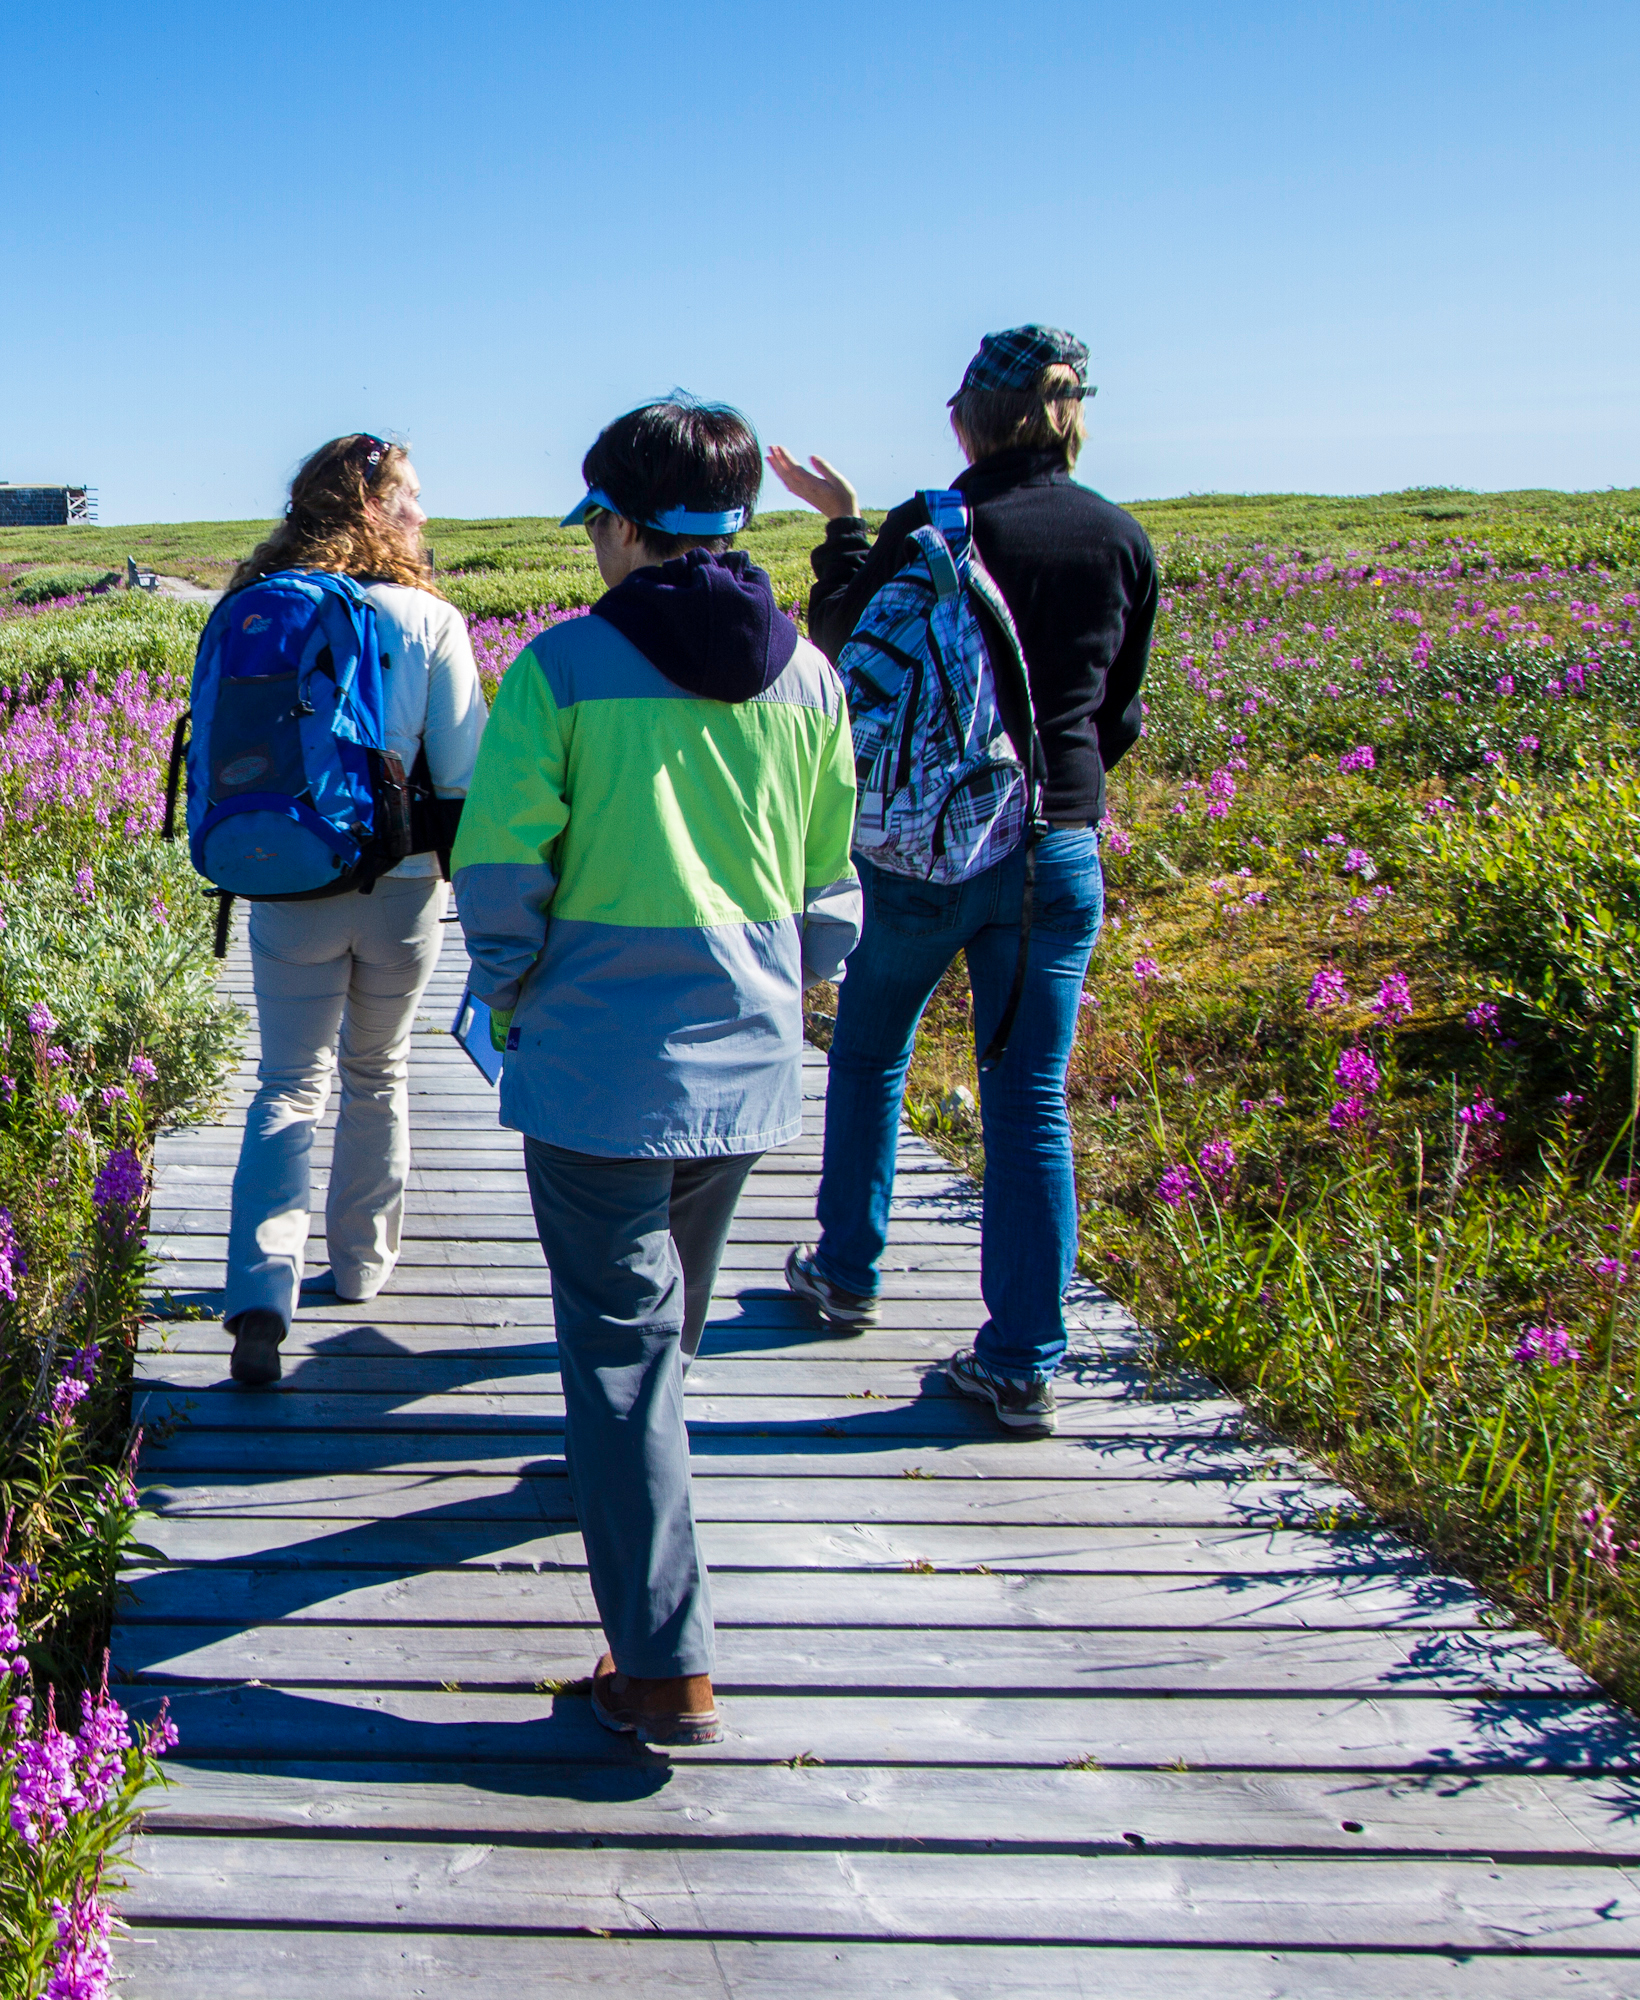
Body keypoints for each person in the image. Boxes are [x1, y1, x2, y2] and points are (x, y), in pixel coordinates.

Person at [454, 396, 860, 1745]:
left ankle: (666, 1665)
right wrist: (781, 992)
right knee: (666, 1326)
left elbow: (502, 873)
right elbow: (829, 888)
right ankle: (623, 1493)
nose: (592, 552)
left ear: (627, 527)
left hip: (593, 1074)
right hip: (746, 1070)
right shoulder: (811, 678)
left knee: (621, 1353)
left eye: (596, 528)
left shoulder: (561, 672)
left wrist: (508, 995)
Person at [769, 324, 1158, 1439]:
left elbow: (844, 647)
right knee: (1029, 1093)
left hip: (931, 852)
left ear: (964, 421)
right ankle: (1023, 1359)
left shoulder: (935, 523)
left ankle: (845, 1270)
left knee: (872, 1044)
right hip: (1056, 850)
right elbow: (1114, 712)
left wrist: (840, 527)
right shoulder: (1122, 540)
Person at [218, 435, 488, 1388]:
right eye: (411, 495)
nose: (424, 511)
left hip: (287, 880)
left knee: (288, 1080)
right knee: (377, 1070)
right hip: (404, 889)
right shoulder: (429, 618)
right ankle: (362, 1267)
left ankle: (258, 1291)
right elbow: (465, 781)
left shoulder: (256, 605)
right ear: (373, 507)